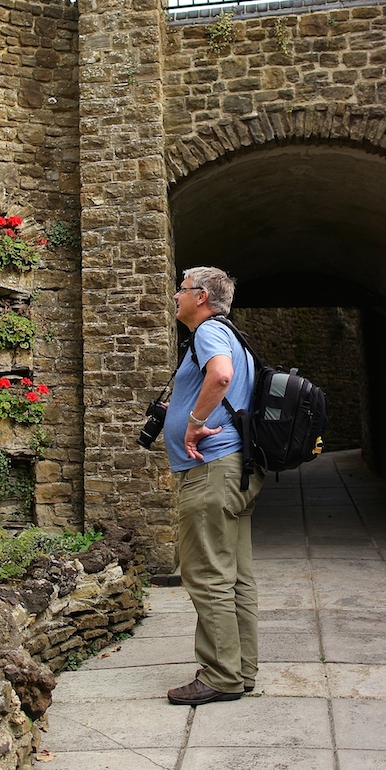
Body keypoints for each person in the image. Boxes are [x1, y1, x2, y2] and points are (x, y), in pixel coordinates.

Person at [163, 266, 265, 705]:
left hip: (211, 470)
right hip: (236, 468)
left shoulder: (208, 333)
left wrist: (193, 422)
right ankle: (241, 671)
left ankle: (220, 676)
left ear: (201, 296)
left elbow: (219, 376)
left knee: (205, 575)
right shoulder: (232, 335)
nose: (175, 296)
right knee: (236, 575)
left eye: (181, 290)